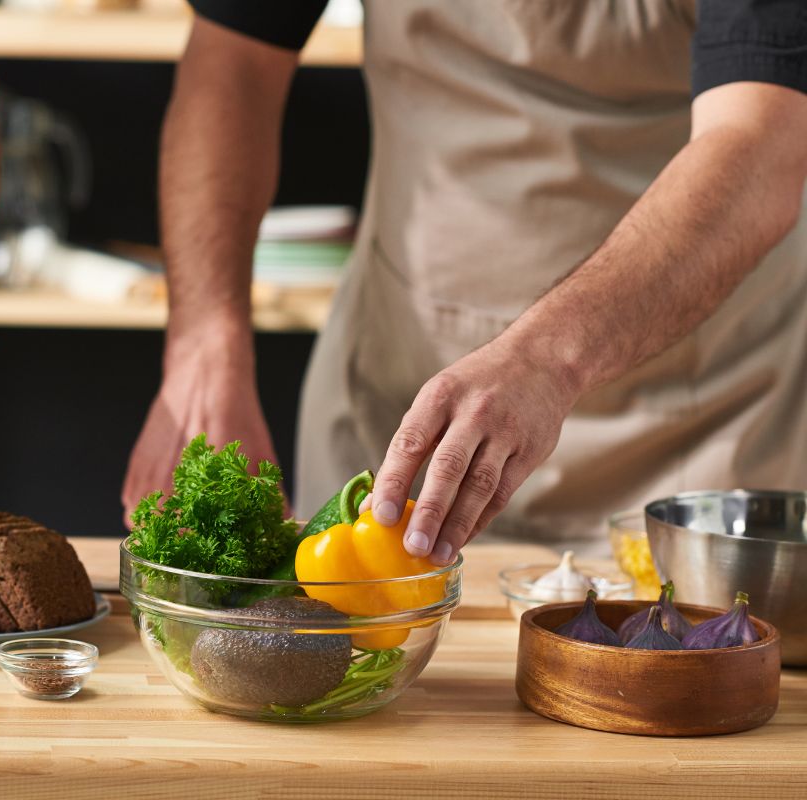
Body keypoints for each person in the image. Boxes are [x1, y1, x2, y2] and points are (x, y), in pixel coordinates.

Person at [123, 0, 807, 562]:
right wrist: (204, 344)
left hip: (703, 421)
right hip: (396, 386)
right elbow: (233, 60)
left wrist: (543, 360)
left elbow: (759, 147)